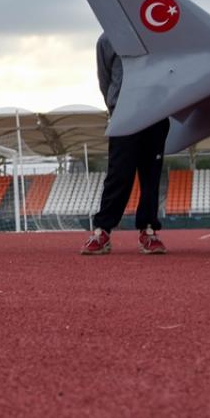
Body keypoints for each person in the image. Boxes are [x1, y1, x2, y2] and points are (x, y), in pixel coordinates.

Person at [82, 33, 169, 255]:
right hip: (124, 112)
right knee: (118, 173)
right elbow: (105, 78)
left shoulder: (158, 32)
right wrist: (115, 105)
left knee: (151, 175)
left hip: (156, 110)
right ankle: (102, 230)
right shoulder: (106, 39)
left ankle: (148, 230)